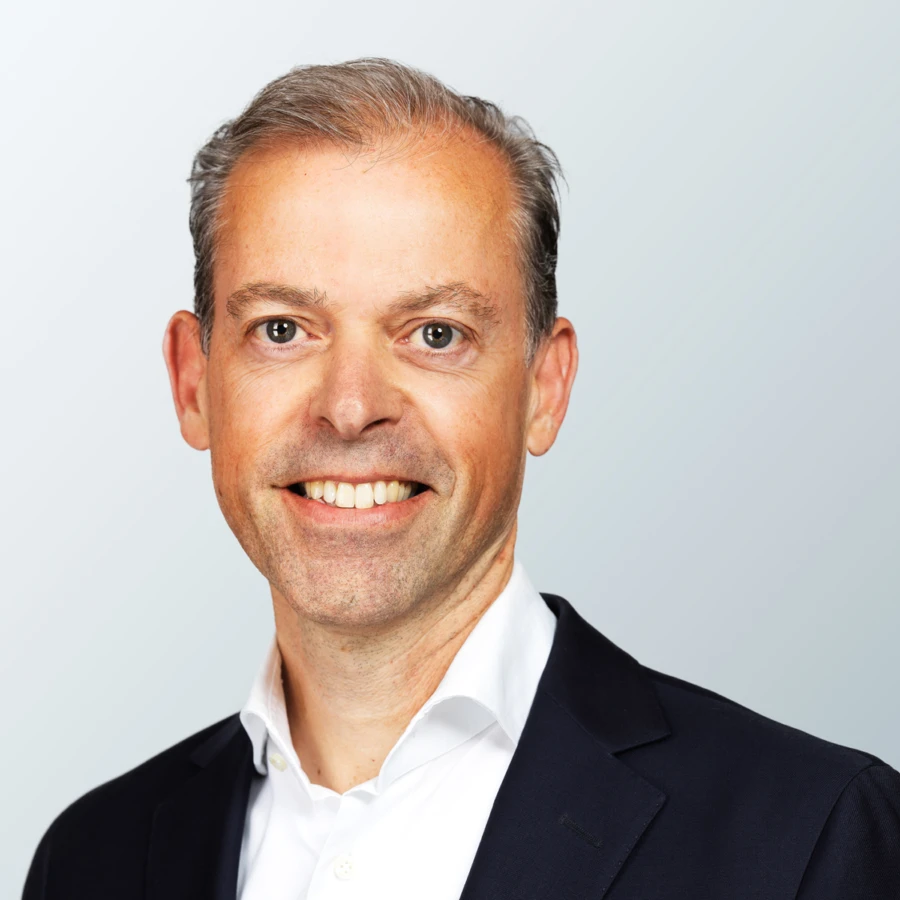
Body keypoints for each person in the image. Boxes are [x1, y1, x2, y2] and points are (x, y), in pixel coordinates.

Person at [23, 57, 900, 899]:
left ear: (544, 389)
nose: (351, 407)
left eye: (435, 334)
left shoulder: (807, 840)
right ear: (193, 383)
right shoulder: (92, 860)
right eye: (283, 330)